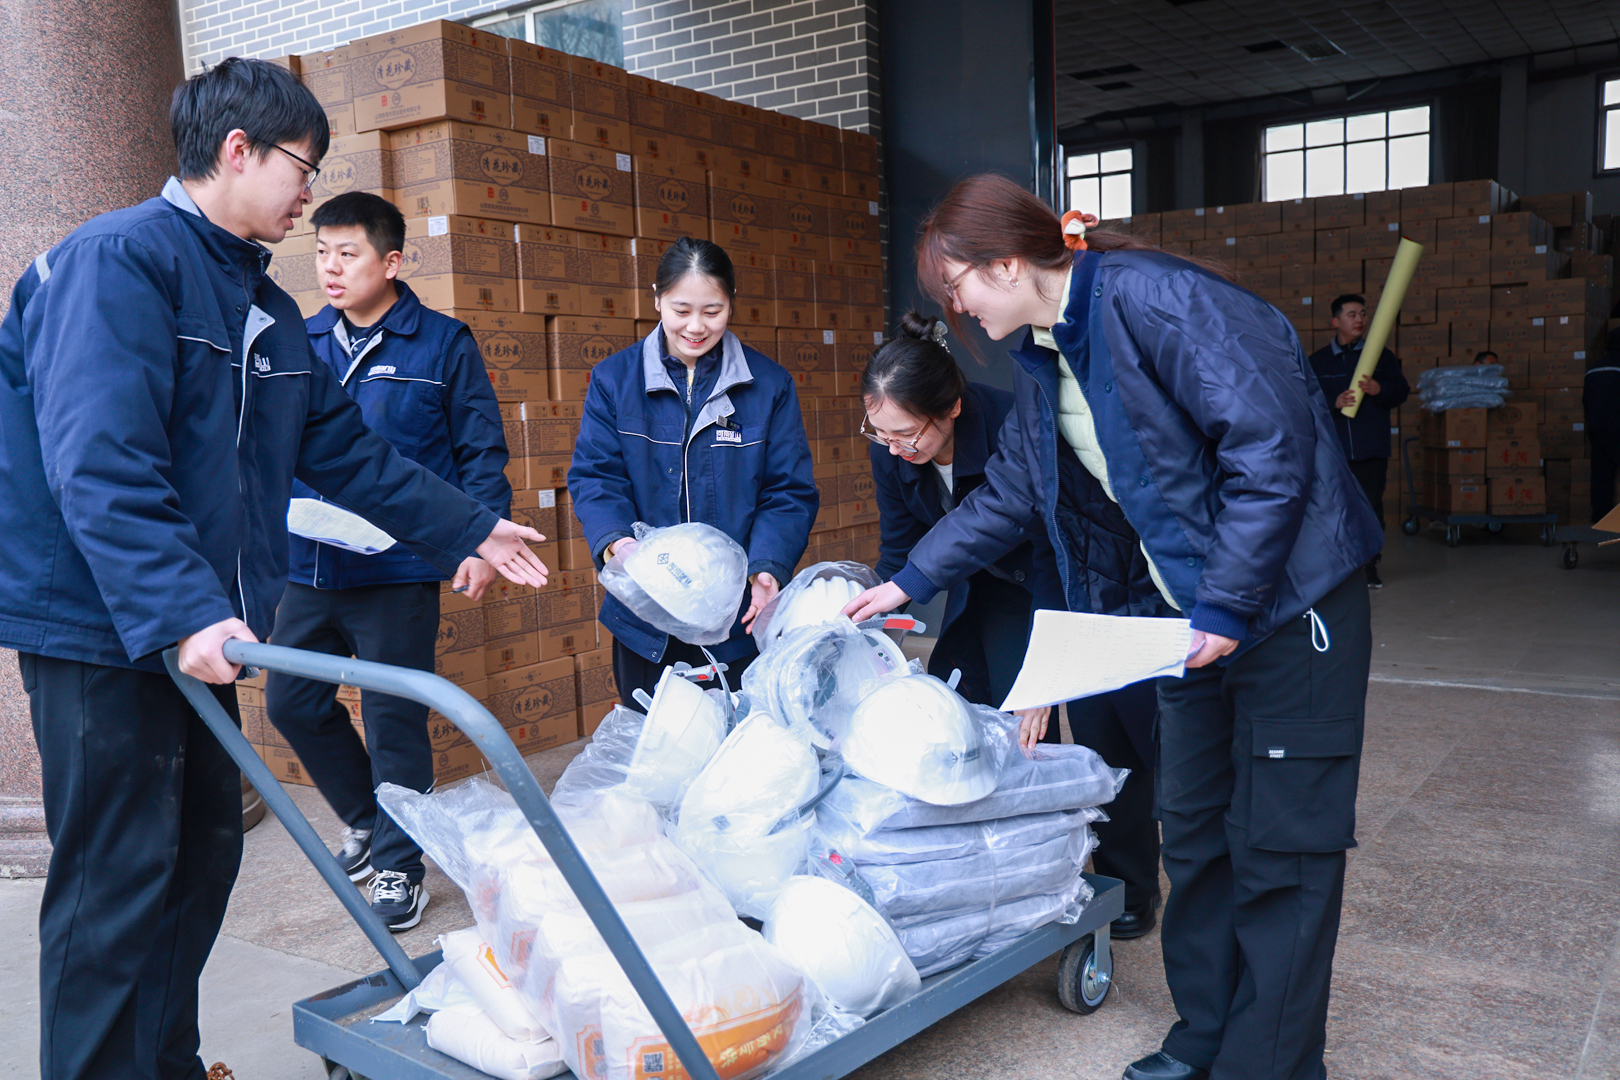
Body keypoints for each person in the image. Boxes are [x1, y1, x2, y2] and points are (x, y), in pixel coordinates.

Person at [0, 59, 549, 1080]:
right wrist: (184, 611)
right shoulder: (116, 264)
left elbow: (348, 455)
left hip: (194, 625)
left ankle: (164, 1063)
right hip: (102, 625)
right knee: (117, 880)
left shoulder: (260, 303)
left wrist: (469, 527)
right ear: (237, 150)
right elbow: (100, 461)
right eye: (304, 166)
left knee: (201, 855)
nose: (309, 193)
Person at [844, 173, 1381, 1080]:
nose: (959, 310)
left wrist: (1228, 603)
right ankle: (1204, 1037)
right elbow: (1011, 494)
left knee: (1281, 851)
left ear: (1006, 264)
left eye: (958, 286)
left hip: (1291, 611)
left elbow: (1271, 449)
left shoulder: (1160, 301)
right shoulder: (1046, 356)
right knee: (1196, 835)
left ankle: (1269, 1065)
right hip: (1190, 624)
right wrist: (905, 583)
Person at [863, 310, 1162, 938]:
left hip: (1059, 581)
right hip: (981, 586)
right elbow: (901, 547)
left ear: (951, 408)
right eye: (880, 432)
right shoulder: (892, 449)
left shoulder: (1010, 425)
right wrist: (879, 625)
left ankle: (1128, 884)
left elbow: (1055, 546)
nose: (894, 447)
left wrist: (1046, 670)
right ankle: (1001, 880)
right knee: (969, 715)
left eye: (906, 434)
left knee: (1097, 729)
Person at [265, 191, 512, 931]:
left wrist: (477, 541)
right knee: (290, 702)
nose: (331, 269)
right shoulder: (299, 339)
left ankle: (401, 868)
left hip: (396, 568)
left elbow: (480, 450)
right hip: (309, 561)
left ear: (392, 261)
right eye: (321, 253)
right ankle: (370, 820)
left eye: (349, 254)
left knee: (393, 721)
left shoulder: (441, 344)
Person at [568, 237, 818, 701]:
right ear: (657, 299)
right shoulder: (614, 380)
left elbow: (788, 492)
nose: (696, 327)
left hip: (737, 620)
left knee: (741, 736)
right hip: (645, 612)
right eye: (681, 310)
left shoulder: (769, 386)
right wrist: (620, 544)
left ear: (731, 303)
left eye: (713, 311)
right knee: (655, 735)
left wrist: (768, 567)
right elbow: (596, 476)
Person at [1308, 294, 1409, 588]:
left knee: (1369, 508)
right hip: (1334, 450)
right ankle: (1337, 569)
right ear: (1335, 322)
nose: (1360, 320)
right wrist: (1334, 402)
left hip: (1370, 448)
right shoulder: (1318, 361)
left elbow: (1401, 391)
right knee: (1333, 509)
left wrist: (1379, 389)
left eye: (1363, 314)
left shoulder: (1381, 357)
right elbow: (1305, 401)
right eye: (1352, 314)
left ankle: (1368, 568)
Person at [1586, 327, 1620, 522]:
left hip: (1597, 430)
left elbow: (1586, 400)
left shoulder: (1593, 369)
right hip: (1617, 428)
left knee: (1601, 478)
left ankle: (1601, 521)